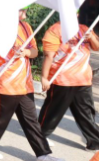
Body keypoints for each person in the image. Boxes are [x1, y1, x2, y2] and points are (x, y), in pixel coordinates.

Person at [0, 7, 61, 161]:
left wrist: (25, 52)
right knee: (1, 117)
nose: (25, 13)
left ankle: (43, 154)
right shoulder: (0, 28)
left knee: (31, 120)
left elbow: (35, 52)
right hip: (6, 83)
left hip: (24, 83)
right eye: (21, 10)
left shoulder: (26, 27)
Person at [38, 20, 99, 151]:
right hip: (62, 79)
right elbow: (48, 55)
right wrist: (44, 77)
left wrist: (92, 38)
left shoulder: (84, 28)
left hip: (83, 79)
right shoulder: (55, 30)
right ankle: (39, 136)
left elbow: (97, 47)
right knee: (53, 111)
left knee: (86, 113)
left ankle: (95, 141)